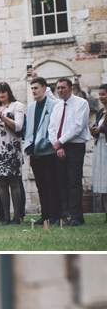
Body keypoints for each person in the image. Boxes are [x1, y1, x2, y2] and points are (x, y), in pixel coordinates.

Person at [0, 81, 26, 224]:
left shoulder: (17, 106)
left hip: (11, 147)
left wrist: (2, 117)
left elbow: (19, 126)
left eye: (3, 92)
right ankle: (5, 216)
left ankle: (17, 216)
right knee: (1, 183)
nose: (1, 95)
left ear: (8, 92)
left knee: (14, 182)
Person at [51, 76, 91, 226]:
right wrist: (58, 145)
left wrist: (60, 141)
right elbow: (52, 128)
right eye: (58, 88)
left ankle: (77, 217)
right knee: (62, 182)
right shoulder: (57, 107)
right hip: (59, 147)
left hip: (75, 145)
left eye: (63, 88)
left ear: (71, 88)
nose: (60, 91)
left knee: (74, 182)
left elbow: (78, 126)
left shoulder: (82, 104)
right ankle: (64, 215)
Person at [25, 76, 63, 229]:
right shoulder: (31, 107)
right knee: (41, 185)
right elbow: (30, 129)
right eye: (32, 88)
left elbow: (56, 127)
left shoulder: (54, 105)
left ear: (44, 88)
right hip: (35, 152)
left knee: (52, 183)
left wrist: (49, 142)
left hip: (49, 150)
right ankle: (45, 215)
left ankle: (56, 214)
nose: (34, 91)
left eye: (36, 88)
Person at [91, 86, 107, 221]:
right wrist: (94, 131)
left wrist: (101, 129)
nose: (101, 97)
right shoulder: (100, 112)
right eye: (100, 94)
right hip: (101, 145)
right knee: (103, 179)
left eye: (103, 94)